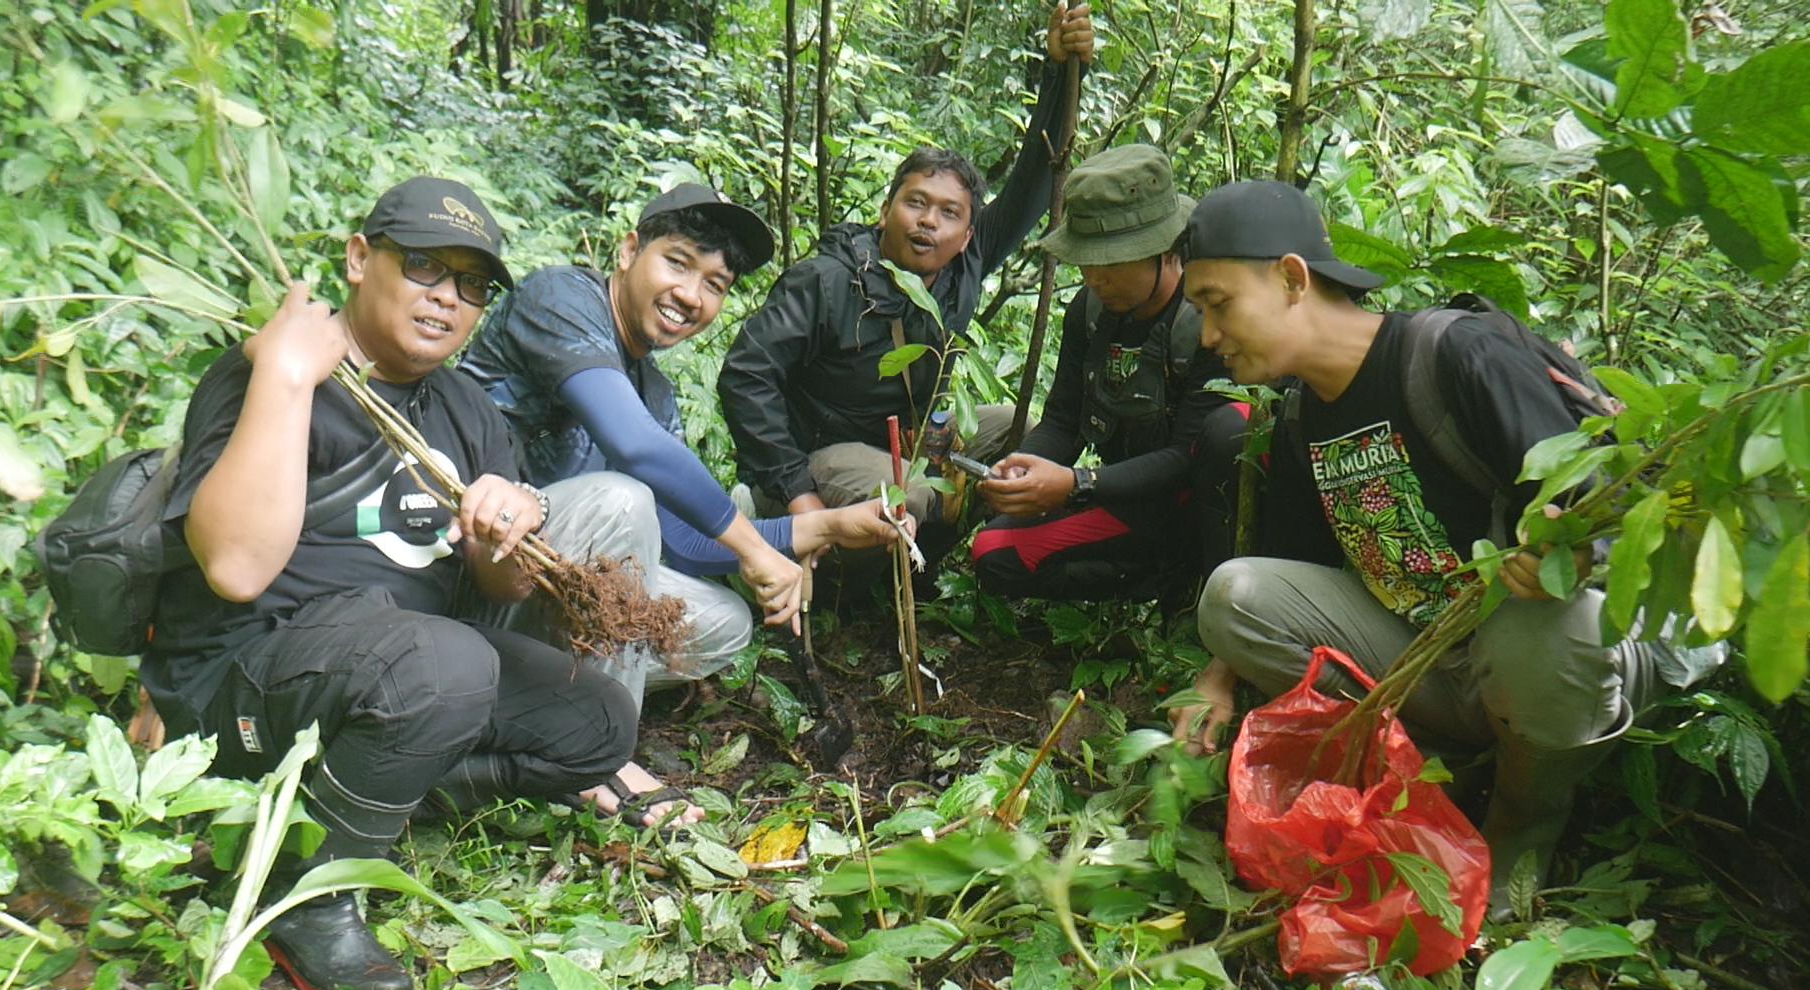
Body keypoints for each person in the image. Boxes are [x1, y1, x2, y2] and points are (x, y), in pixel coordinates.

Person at [1165, 180, 1722, 918]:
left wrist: (1567, 555)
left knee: (1542, 622)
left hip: (1568, 657)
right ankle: (1424, 776)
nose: (1207, 335)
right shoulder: (1303, 416)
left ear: (1292, 278)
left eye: (1217, 302)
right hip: (1440, 661)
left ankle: (1526, 817)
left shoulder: (1457, 355)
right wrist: (1218, 679)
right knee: (1232, 595)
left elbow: (1618, 515)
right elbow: (1294, 571)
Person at [141, 177, 635, 990]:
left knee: (600, 719)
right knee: (445, 663)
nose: (447, 298)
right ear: (360, 258)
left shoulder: (466, 408)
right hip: (248, 680)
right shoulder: (270, 372)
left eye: (472, 285)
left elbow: (499, 583)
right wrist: (290, 377)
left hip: (399, 675)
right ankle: (307, 889)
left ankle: (367, 794)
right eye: (423, 268)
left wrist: (510, 527)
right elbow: (231, 566)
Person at [458, 185, 909, 819]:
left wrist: (824, 526)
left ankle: (544, 708)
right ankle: (595, 754)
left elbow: (687, 545)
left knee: (724, 621)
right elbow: (633, 449)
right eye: (677, 262)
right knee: (622, 500)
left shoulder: (655, 391)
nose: (691, 295)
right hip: (476, 582)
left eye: (716, 284)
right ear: (628, 250)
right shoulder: (562, 299)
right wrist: (753, 548)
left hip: (542, 604)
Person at [719, 2, 1097, 540]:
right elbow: (745, 375)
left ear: (968, 235)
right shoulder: (828, 280)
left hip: (912, 439)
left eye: (949, 213)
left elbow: (1035, 182)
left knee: (1023, 433)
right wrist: (795, 487)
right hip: (821, 454)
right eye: (915, 203)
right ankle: (774, 522)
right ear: (885, 211)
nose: (928, 223)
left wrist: (1061, 71)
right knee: (914, 495)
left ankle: (982, 558)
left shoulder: (966, 259)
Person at [970, 144, 1247, 603]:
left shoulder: (1210, 323)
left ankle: (1196, 582)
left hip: (1199, 504)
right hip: (1127, 501)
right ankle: (1153, 579)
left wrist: (1077, 485)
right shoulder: (1091, 312)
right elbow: (1063, 419)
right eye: (1087, 264)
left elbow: (1189, 454)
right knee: (994, 552)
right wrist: (1025, 467)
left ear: (1165, 252)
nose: (1095, 279)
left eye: (1112, 263)